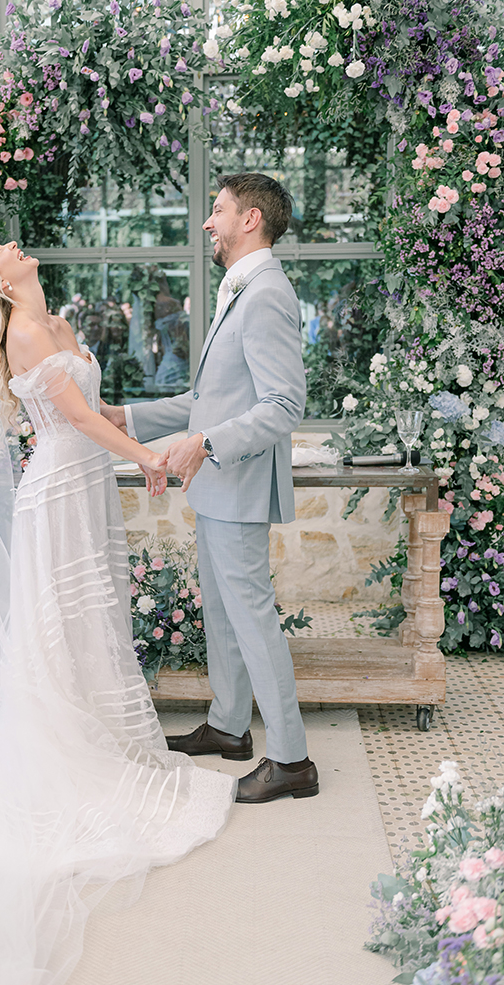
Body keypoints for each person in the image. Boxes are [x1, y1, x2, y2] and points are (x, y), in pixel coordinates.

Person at [0, 241, 235, 985]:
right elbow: (71, 419)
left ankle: (97, 731)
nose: (13, 244)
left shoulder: (58, 321)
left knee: (89, 617)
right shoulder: (26, 334)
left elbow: (94, 409)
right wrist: (146, 458)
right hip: (58, 491)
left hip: (85, 485)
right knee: (59, 620)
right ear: (1, 281)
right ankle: (60, 748)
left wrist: (136, 450)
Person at [102, 173, 319, 804]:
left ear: (250, 219)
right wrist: (132, 418)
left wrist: (205, 443)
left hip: (239, 482)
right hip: (217, 487)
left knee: (252, 620)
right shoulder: (238, 291)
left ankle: (292, 759)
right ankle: (229, 728)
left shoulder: (266, 294)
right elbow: (207, 399)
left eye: (216, 210)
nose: (207, 222)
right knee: (222, 614)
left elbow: (285, 404)